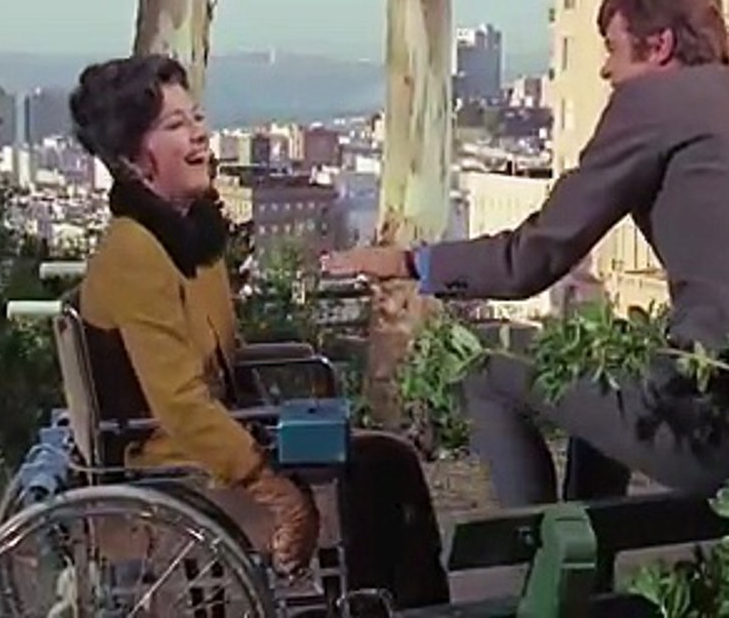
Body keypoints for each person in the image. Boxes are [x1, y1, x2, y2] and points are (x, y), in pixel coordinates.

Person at [321, 0, 729, 508]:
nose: (606, 71)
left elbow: (533, 258)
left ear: (660, 45)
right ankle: (583, 554)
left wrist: (408, 261)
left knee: (483, 362)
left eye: (612, 48)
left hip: (724, 435)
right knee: (607, 365)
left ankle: (540, 554)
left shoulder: (652, 102)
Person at [69, 54, 448, 606]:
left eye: (197, 118)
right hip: (173, 456)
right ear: (131, 158)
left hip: (215, 432)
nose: (199, 134)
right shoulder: (135, 252)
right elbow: (181, 403)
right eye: (175, 125)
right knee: (379, 473)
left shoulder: (189, 237)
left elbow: (223, 359)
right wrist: (274, 488)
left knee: (387, 461)